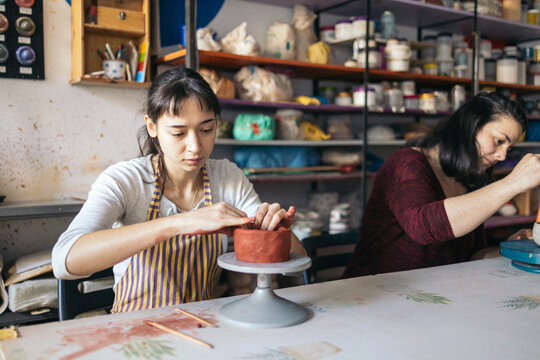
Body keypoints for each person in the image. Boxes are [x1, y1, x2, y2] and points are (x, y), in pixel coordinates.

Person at [52, 67, 305, 313]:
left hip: (202, 325)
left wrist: (275, 229)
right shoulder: (125, 180)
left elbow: (295, 264)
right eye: (178, 132)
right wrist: (179, 223)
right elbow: (65, 260)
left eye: (206, 129)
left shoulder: (227, 177)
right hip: (136, 331)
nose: (195, 146)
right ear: (152, 127)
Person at [343, 91, 540, 278]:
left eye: (509, 147)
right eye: (498, 141)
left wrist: (510, 248)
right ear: (469, 126)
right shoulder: (407, 163)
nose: (502, 155)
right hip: (374, 293)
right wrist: (513, 183)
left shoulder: (470, 180)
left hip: (431, 294)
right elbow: (423, 227)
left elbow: (473, 256)